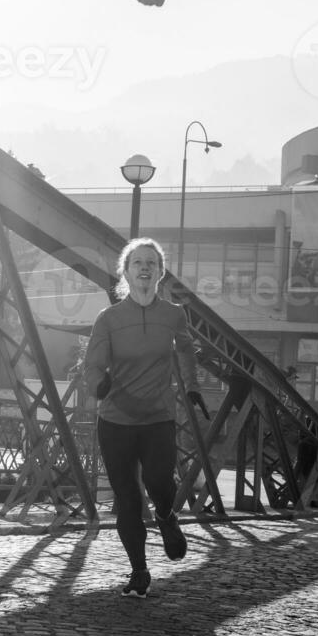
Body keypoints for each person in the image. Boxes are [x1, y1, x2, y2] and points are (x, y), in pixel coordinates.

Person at [82, 238, 207, 599]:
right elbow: (92, 363)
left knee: (159, 482)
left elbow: (185, 348)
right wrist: (98, 384)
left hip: (157, 416)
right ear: (126, 271)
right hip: (116, 419)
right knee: (129, 500)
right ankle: (139, 571)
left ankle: (167, 516)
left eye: (151, 262)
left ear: (161, 272)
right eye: (138, 262)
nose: (145, 268)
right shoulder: (109, 319)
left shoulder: (173, 315)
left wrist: (194, 385)